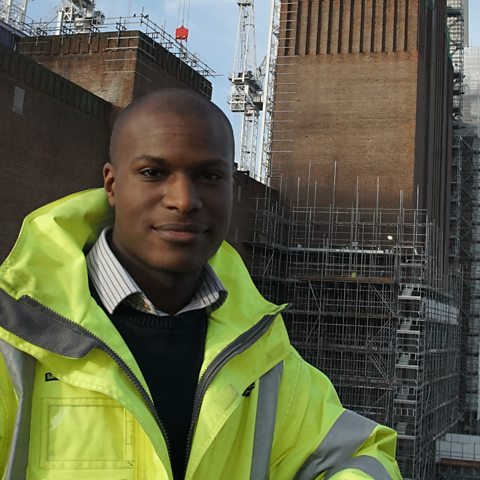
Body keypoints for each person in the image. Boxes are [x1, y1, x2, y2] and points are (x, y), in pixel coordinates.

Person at [0, 89, 402, 480]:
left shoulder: (261, 353)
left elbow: (360, 455)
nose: (183, 199)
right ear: (111, 185)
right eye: (153, 172)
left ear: (232, 188)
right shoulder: (16, 335)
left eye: (209, 175)